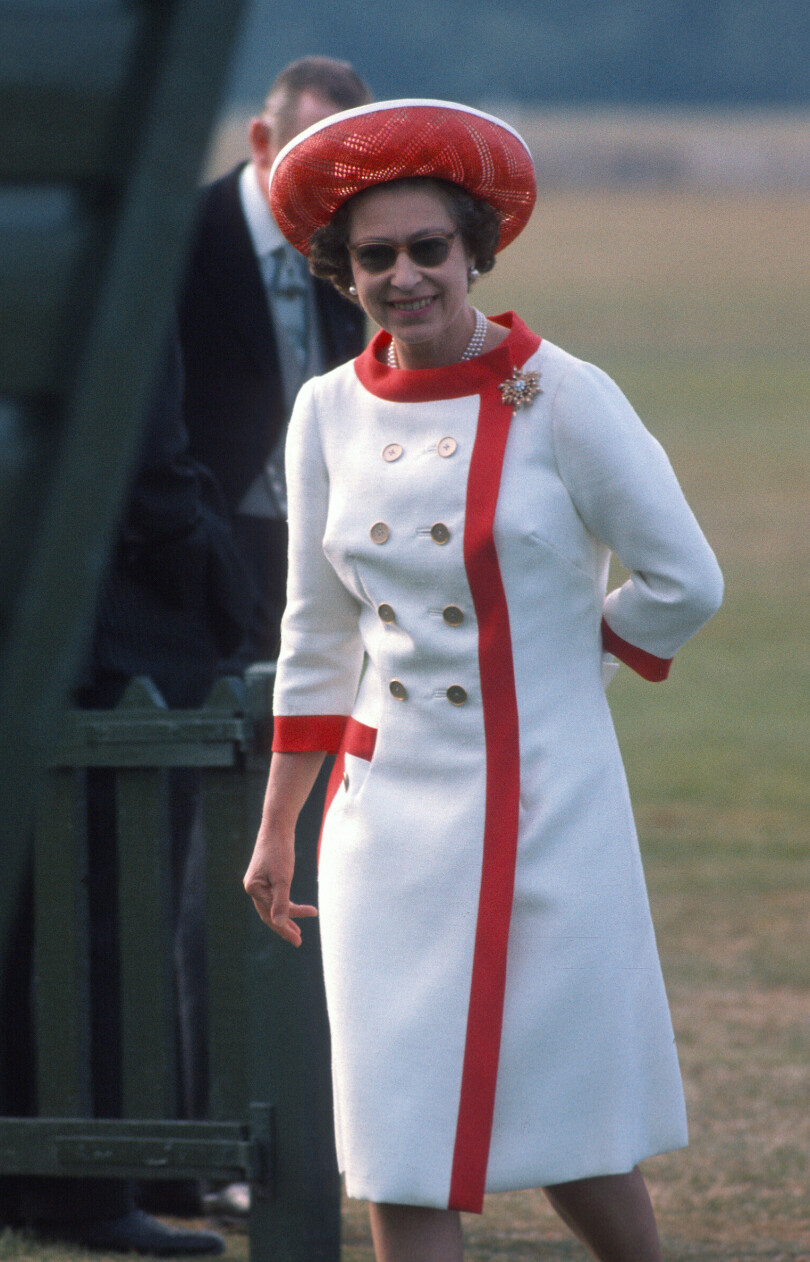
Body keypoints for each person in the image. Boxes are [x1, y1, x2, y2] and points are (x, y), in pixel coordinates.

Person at [243, 100, 724, 1262]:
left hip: (545, 803)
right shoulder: (325, 411)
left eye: (427, 249)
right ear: (340, 271)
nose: (403, 277)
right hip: (385, 813)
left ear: (475, 252)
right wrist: (277, 826)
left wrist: (579, 659)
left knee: (570, 1118)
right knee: (398, 1132)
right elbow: (317, 630)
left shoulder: (566, 394)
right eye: (374, 257)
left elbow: (685, 577)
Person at [0, 326, 250, 1255]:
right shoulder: (101, 240)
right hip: (105, 618)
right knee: (103, 922)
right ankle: (84, 1197)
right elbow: (144, 451)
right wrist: (208, 564)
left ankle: (27, 1182)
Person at [178, 56, 371, 668]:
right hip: (200, 559)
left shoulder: (349, 246)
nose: (336, 194)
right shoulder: (182, 239)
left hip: (317, 552)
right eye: (316, 164)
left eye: (351, 172)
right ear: (262, 142)